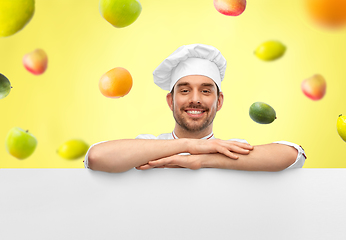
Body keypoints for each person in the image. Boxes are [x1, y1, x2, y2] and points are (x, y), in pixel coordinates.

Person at [84, 44, 306, 173]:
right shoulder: (148, 145)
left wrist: (202, 159)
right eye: (184, 90)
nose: (195, 99)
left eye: (206, 91)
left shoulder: (228, 150)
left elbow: (293, 155)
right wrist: (190, 145)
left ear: (219, 102)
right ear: (170, 101)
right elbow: (95, 157)